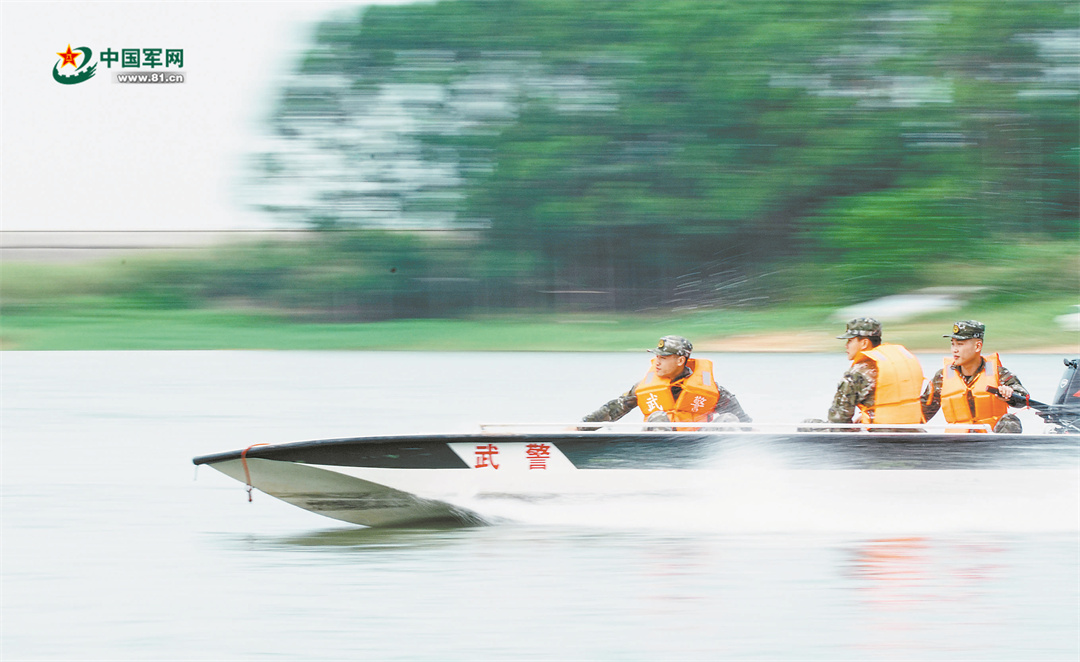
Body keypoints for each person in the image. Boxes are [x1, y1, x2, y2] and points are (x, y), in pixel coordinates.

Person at [580, 335, 751, 429]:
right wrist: (580, 428)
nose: (657, 362)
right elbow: (612, 410)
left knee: (729, 420)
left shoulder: (713, 390)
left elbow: (743, 421)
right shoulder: (643, 386)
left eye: (663, 358)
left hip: (701, 445)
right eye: (657, 357)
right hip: (658, 448)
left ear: (680, 360)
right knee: (659, 418)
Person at [920, 320, 1027, 433]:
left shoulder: (999, 374)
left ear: (977, 346)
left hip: (991, 439)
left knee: (1010, 421)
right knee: (910, 426)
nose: (954, 350)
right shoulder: (942, 377)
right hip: (957, 440)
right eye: (953, 344)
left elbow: (1024, 398)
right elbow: (921, 413)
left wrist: (1010, 395)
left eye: (960, 344)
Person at [826, 317, 925, 426]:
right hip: (912, 428)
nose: (846, 345)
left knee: (813, 424)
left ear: (864, 343)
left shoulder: (857, 373)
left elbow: (838, 421)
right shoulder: (899, 366)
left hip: (877, 433)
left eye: (850, 340)